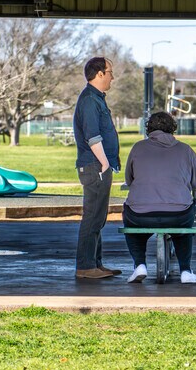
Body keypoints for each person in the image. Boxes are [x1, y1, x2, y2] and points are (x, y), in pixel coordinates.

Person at [123, 112, 196, 284]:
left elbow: (129, 180)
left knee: (133, 229)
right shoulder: (185, 149)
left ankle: (139, 265)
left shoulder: (138, 148)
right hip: (178, 213)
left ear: (149, 128)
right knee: (182, 232)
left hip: (140, 214)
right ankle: (185, 270)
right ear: (173, 128)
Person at [73, 57, 121, 279]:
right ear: (100, 73)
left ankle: (95, 264)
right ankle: (85, 267)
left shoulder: (97, 99)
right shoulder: (90, 100)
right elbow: (93, 136)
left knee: (99, 216)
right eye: (110, 72)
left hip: (98, 165)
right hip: (95, 166)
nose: (112, 76)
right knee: (92, 216)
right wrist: (104, 163)